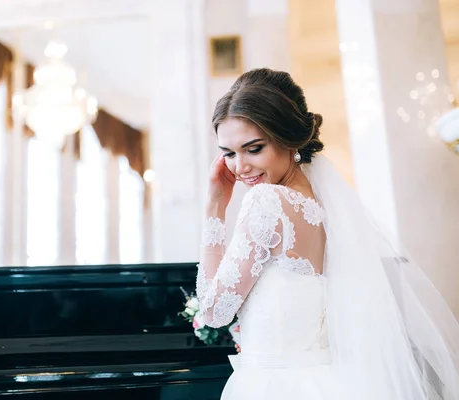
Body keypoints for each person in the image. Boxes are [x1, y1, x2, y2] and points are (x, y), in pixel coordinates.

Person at [196, 68, 459, 400]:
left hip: (274, 386)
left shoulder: (266, 201)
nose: (239, 167)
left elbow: (213, 312)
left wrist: (215, 207)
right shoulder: (322, 199)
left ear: (288, 138)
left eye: (254, 148)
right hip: (326, 380)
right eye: (229, 153)